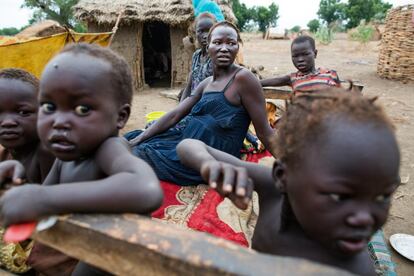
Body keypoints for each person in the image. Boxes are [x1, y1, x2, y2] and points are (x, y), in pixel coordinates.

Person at [177, 90, 400, 275]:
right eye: (340, 196)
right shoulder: (274, 192)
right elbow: (189, 146)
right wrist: (210, 165)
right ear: (283, 177)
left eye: (382, 196)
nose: (365, 218)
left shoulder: (353, 270)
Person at [0, 43, 163, 275]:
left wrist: (45, 198)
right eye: (49, 106)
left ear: (120, 117)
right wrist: (17, 178)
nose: (59, 121)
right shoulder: (64, 157)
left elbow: (146, 189)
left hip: (95, 258)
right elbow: (39, 200)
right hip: (61, 252)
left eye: (83, 109)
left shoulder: (110, 149)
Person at [125, 21, 275, 186]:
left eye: (231, 43)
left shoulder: (244, 79)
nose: (224, 48)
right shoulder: (207, 83)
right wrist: (139, 138)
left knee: (134, 154)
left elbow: (265, 132)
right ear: (208, 45)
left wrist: (290, 168)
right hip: (185, 140)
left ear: (237, 47)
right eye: (217, 42)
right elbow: (175, 114)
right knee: (130, 139)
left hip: (208, 156)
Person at [0, 68, 55, 184]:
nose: (8, 122)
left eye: (23, 112)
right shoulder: (4, 154)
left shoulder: (46, 151)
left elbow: (50, 198)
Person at [260, 35, 341, 94]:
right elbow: (269, 82)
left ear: (315, 54)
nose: (300, 59)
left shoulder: (331, 74)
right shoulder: (293, 78)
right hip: (303, 116)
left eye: (305, 54)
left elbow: (343, 99)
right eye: (295, 56)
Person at [180, 12, 216, 102]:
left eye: (209, 31)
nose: (205, 35)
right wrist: (180, 106)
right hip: (194, 102)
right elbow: (189, 85)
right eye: (201, 31)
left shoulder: (217, 57)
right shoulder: (196, 56)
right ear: (195, 33)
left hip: (210, 104)